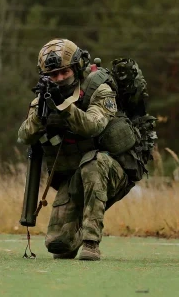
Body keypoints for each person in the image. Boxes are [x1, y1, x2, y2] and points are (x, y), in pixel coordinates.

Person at [17, 39, 135, 261]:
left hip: (110, 170)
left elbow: (93, 125)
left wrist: (64, 107)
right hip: (73, 179)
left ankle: (91, 243)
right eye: (53, 75)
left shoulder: (99, 89)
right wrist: (42, 116)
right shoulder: (44, 97)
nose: (60, 78)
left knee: (93, 164)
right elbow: (23, 135)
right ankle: (76, 232)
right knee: (58, 245)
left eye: (64, 72)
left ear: (77, 67)